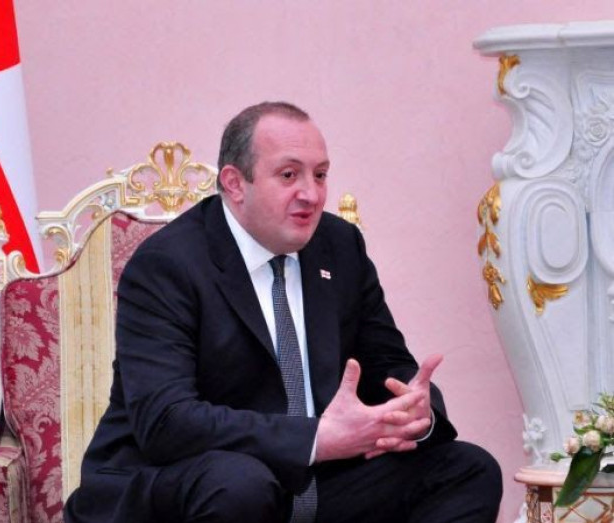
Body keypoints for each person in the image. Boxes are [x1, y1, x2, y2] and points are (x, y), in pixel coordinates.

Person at [64, 102, 503, 523]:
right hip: (185, 483)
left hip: (310, 483)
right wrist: (315, 439)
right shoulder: (168, 265)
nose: (311, 194)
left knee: (468, 470)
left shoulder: (340, 246)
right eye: (289, 175)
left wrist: (413, 411)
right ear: (235, 184)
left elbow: (387, 364)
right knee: (240, 485)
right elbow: (167, 422)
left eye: (320, 175)